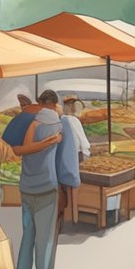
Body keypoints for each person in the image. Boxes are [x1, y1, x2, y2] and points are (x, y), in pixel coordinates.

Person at [6, 90, 63, 269]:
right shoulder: (58, 125)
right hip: (47, 186)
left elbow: (22, 150)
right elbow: (62, 159)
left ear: (40, 103)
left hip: (27, 186)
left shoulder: (32, 123)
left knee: (28, 235)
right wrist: (49, 143)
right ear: (55, 104)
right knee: (45, 238)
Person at [54, 94, 82, 232]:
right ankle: (71, 216)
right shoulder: (70, 121)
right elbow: (83, 144)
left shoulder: (63, 120)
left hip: (64, 161)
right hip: (73, 159)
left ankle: (66, 217)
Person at [61, 97, 91, 162]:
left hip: (65, 152)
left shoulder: (62, 119)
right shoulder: (73, 120)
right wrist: (86, 150)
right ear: (70, 105)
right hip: (76, 152)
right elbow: (82, 138)